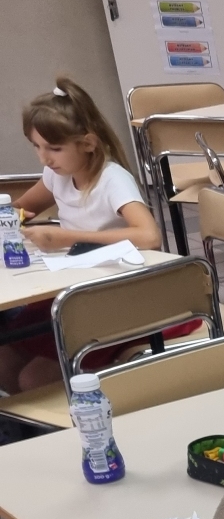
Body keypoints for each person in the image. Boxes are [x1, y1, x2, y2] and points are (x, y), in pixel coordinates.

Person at [1, 78, 169, 395]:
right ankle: (37, 420)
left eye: (54, 148)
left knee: (32, 379)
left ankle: (84, 406)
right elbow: (22, 209)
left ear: (88, 144)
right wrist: (11, 217)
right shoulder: (57, 174)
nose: (44, 158)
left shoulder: (112, 179)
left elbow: (149, 236)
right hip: (76, 288)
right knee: (4, 360)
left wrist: (65, 237)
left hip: (119, 296)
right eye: (36, 146)